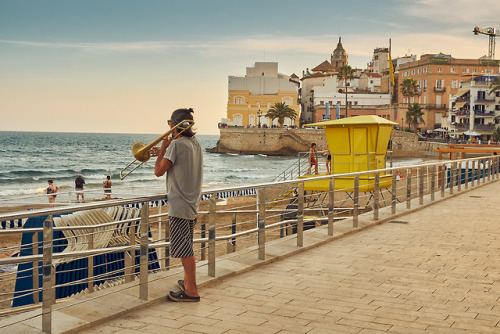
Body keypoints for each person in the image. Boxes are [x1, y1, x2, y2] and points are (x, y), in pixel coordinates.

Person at [152, 108, 203, 302]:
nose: (169, 128)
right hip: (192, 203)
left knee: (185, 251)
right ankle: (188, 283)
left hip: (179, 205)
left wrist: (164, 148)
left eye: (170, 124)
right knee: (186, 247)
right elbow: (179, 161)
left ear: (174, 125)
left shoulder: (175, 145)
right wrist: (162, 150)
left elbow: (158, 171)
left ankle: (192, 291)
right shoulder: (195, 143)